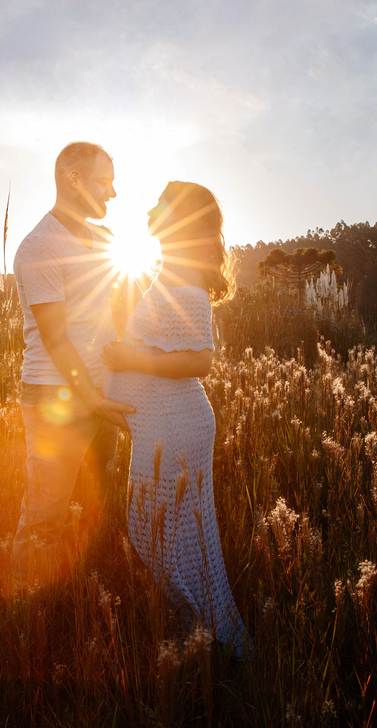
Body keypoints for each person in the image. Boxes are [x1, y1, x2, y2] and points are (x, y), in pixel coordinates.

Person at [102, 180, 252, 657]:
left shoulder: (185, 280)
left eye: (161, 203)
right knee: (164, 528)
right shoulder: (170, 272)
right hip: (166, 423)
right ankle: (198, 630)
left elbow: (200, 360)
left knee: (166, 529)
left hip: (178, 425)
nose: (150, 208)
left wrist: (130, 360)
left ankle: (211, 638)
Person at [10, 141, 136, 591]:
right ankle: (26, 618)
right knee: (46, 515)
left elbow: (122, 314)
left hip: (102, 395)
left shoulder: (105, 241)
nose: (114, 193)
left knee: (95, 505)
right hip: (55, 400)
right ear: (74, 179)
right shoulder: (41, 246)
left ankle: (81, 601)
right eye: (105, 181)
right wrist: (94, 400)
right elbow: (56, 339)